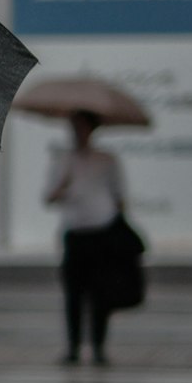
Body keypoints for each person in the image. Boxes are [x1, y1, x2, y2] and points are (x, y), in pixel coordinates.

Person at [46, 110, 130, 366]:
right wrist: (64, 183)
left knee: (100, 293)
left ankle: (99, 346)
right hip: (75, 232)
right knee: (74, 293)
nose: (77, 132)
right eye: (74, 127)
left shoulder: (106, 160)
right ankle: (73, 346)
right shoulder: (63, 160)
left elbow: (120, 196)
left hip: (101, 231)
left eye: (82, 127)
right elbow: (49, 197)